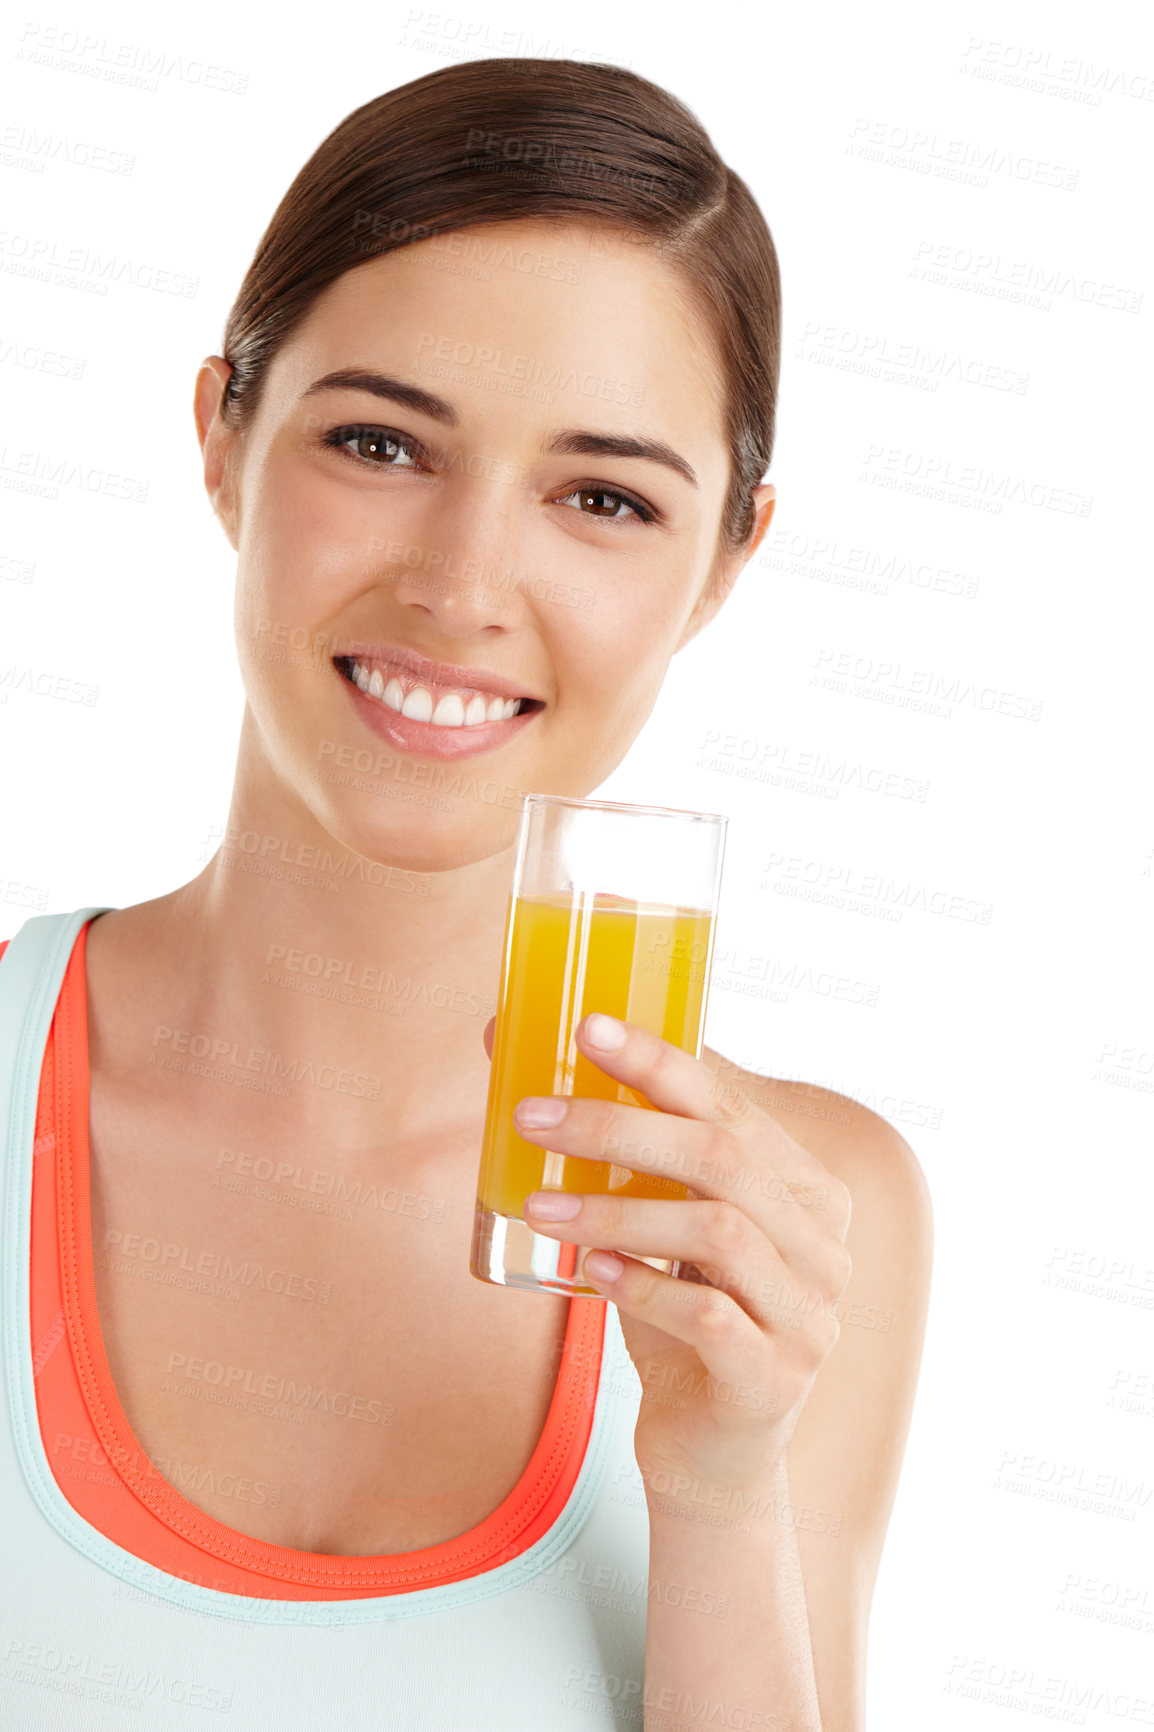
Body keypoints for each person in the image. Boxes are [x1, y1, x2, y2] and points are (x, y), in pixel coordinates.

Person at [0, 57, 932, 1729]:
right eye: (380, 440)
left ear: (727, 562)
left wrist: (712, 1489)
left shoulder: (793, 1221)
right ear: (222, 435)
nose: (459, 587)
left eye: (602, 498)